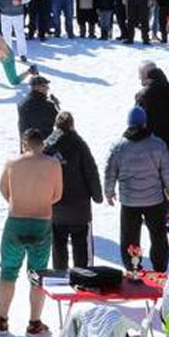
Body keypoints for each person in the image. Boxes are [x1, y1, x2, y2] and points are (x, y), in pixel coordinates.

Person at [0, 129, 62, 337]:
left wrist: (19, 202)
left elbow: (4, 190)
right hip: (41, 222)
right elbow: (57, 195)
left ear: (25, 143)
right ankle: (34, 323)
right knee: (37, 275)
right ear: (42, 143)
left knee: (8, 271)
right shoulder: (53, 164)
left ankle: (2, 319)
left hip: (16, 221)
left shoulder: (12, 163)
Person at [104, 106, 169, 273]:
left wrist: (109, 191)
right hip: (154, 199)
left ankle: (133, 266)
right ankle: (160, 267)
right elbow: (167, 170)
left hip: (129, 201)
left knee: (130, 237)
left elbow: (110, 170)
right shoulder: (157, 144)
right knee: (158, 235)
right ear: (145, 123)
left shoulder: (119, 146)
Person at [44, 112, 102, 270]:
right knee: (81, 246)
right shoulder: (79, 144)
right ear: (72, 125)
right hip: (80, 206)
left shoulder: (47, 146)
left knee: (58, 247)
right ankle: (83, 277)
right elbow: (91, 171)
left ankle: (60, 278)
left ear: (56, 125)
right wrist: (97, 196)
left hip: (55, 206)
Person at [134, 63, 169, 158]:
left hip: (148, 142)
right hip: (167, 139)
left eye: (140, 74)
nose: (139, 77)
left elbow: (137, 121)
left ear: (146, 74)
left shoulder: (143, 95)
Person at [17, 76, 59, 144]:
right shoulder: (47, 105)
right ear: (35, 87)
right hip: (43, 147)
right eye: (44, 86)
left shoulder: (22, 103)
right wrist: (56, 106)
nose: (48, 88)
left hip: (26, 146)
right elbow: (59, 123)